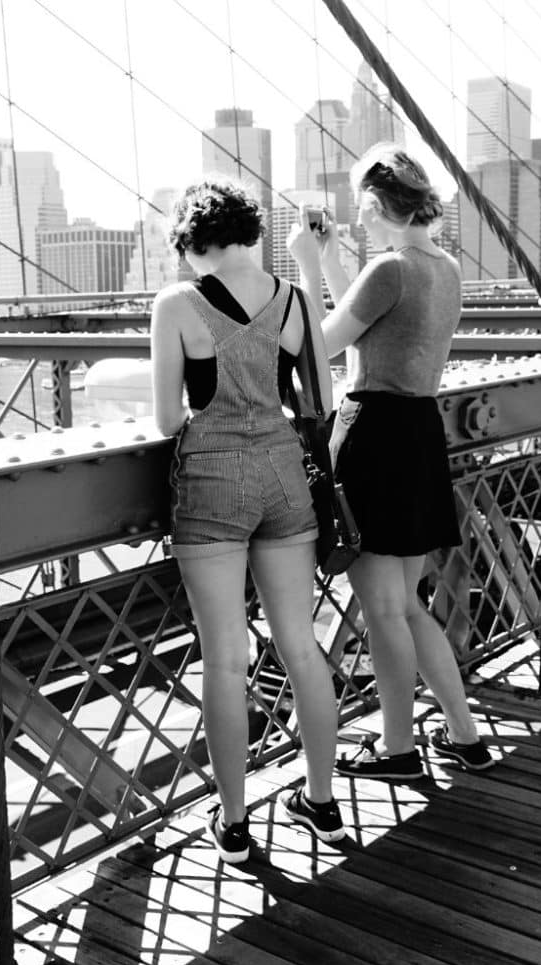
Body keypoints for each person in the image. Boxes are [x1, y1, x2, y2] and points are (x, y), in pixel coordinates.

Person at [151, 178, 347, 862]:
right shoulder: (293, 299)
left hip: (212, 481)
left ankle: (234, 825)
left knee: (225, 659)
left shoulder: (178, 303)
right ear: (252, 233)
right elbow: (319, 397)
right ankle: (321, 804)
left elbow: (167, 419)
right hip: (286, 476)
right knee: (299, 645)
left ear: (191, 244)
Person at [287, 143, 494, 779]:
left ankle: (398, 752)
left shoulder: (390, 270)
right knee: (405, 603)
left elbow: (317, 349)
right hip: (418, 434)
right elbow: (373, 326)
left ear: (379, 203)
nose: (356, 220)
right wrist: (325, 263)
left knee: (382, 608)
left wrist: (301, 266)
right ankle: (463, 736)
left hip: (374, 433)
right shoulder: (443, 268)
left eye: (361, 208)